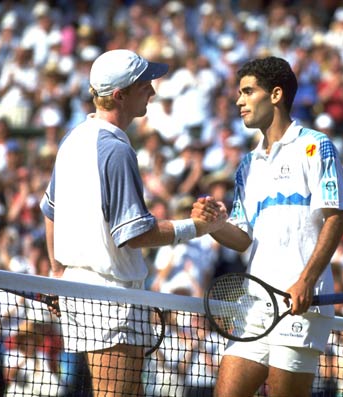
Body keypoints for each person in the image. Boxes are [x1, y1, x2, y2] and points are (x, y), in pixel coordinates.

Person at [38, 49, 228, 396]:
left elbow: (51, 213)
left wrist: (57, 273)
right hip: (111, 296)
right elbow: (133, 235)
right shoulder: (115, 148)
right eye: (144, 86)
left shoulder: (71, 140)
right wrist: (196, 227)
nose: (152, 92)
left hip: (80, 290)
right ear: (119, 95)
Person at [194, 56, 343, 397]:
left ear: (276, 95)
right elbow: (241, 239)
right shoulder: (247, 165)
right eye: (239, 93)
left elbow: (336, 218)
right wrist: (213, 224)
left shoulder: (315, 146)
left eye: (248, 92)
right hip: (255, 306)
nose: (239, 101)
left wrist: (306, 280)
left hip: (301, 305)